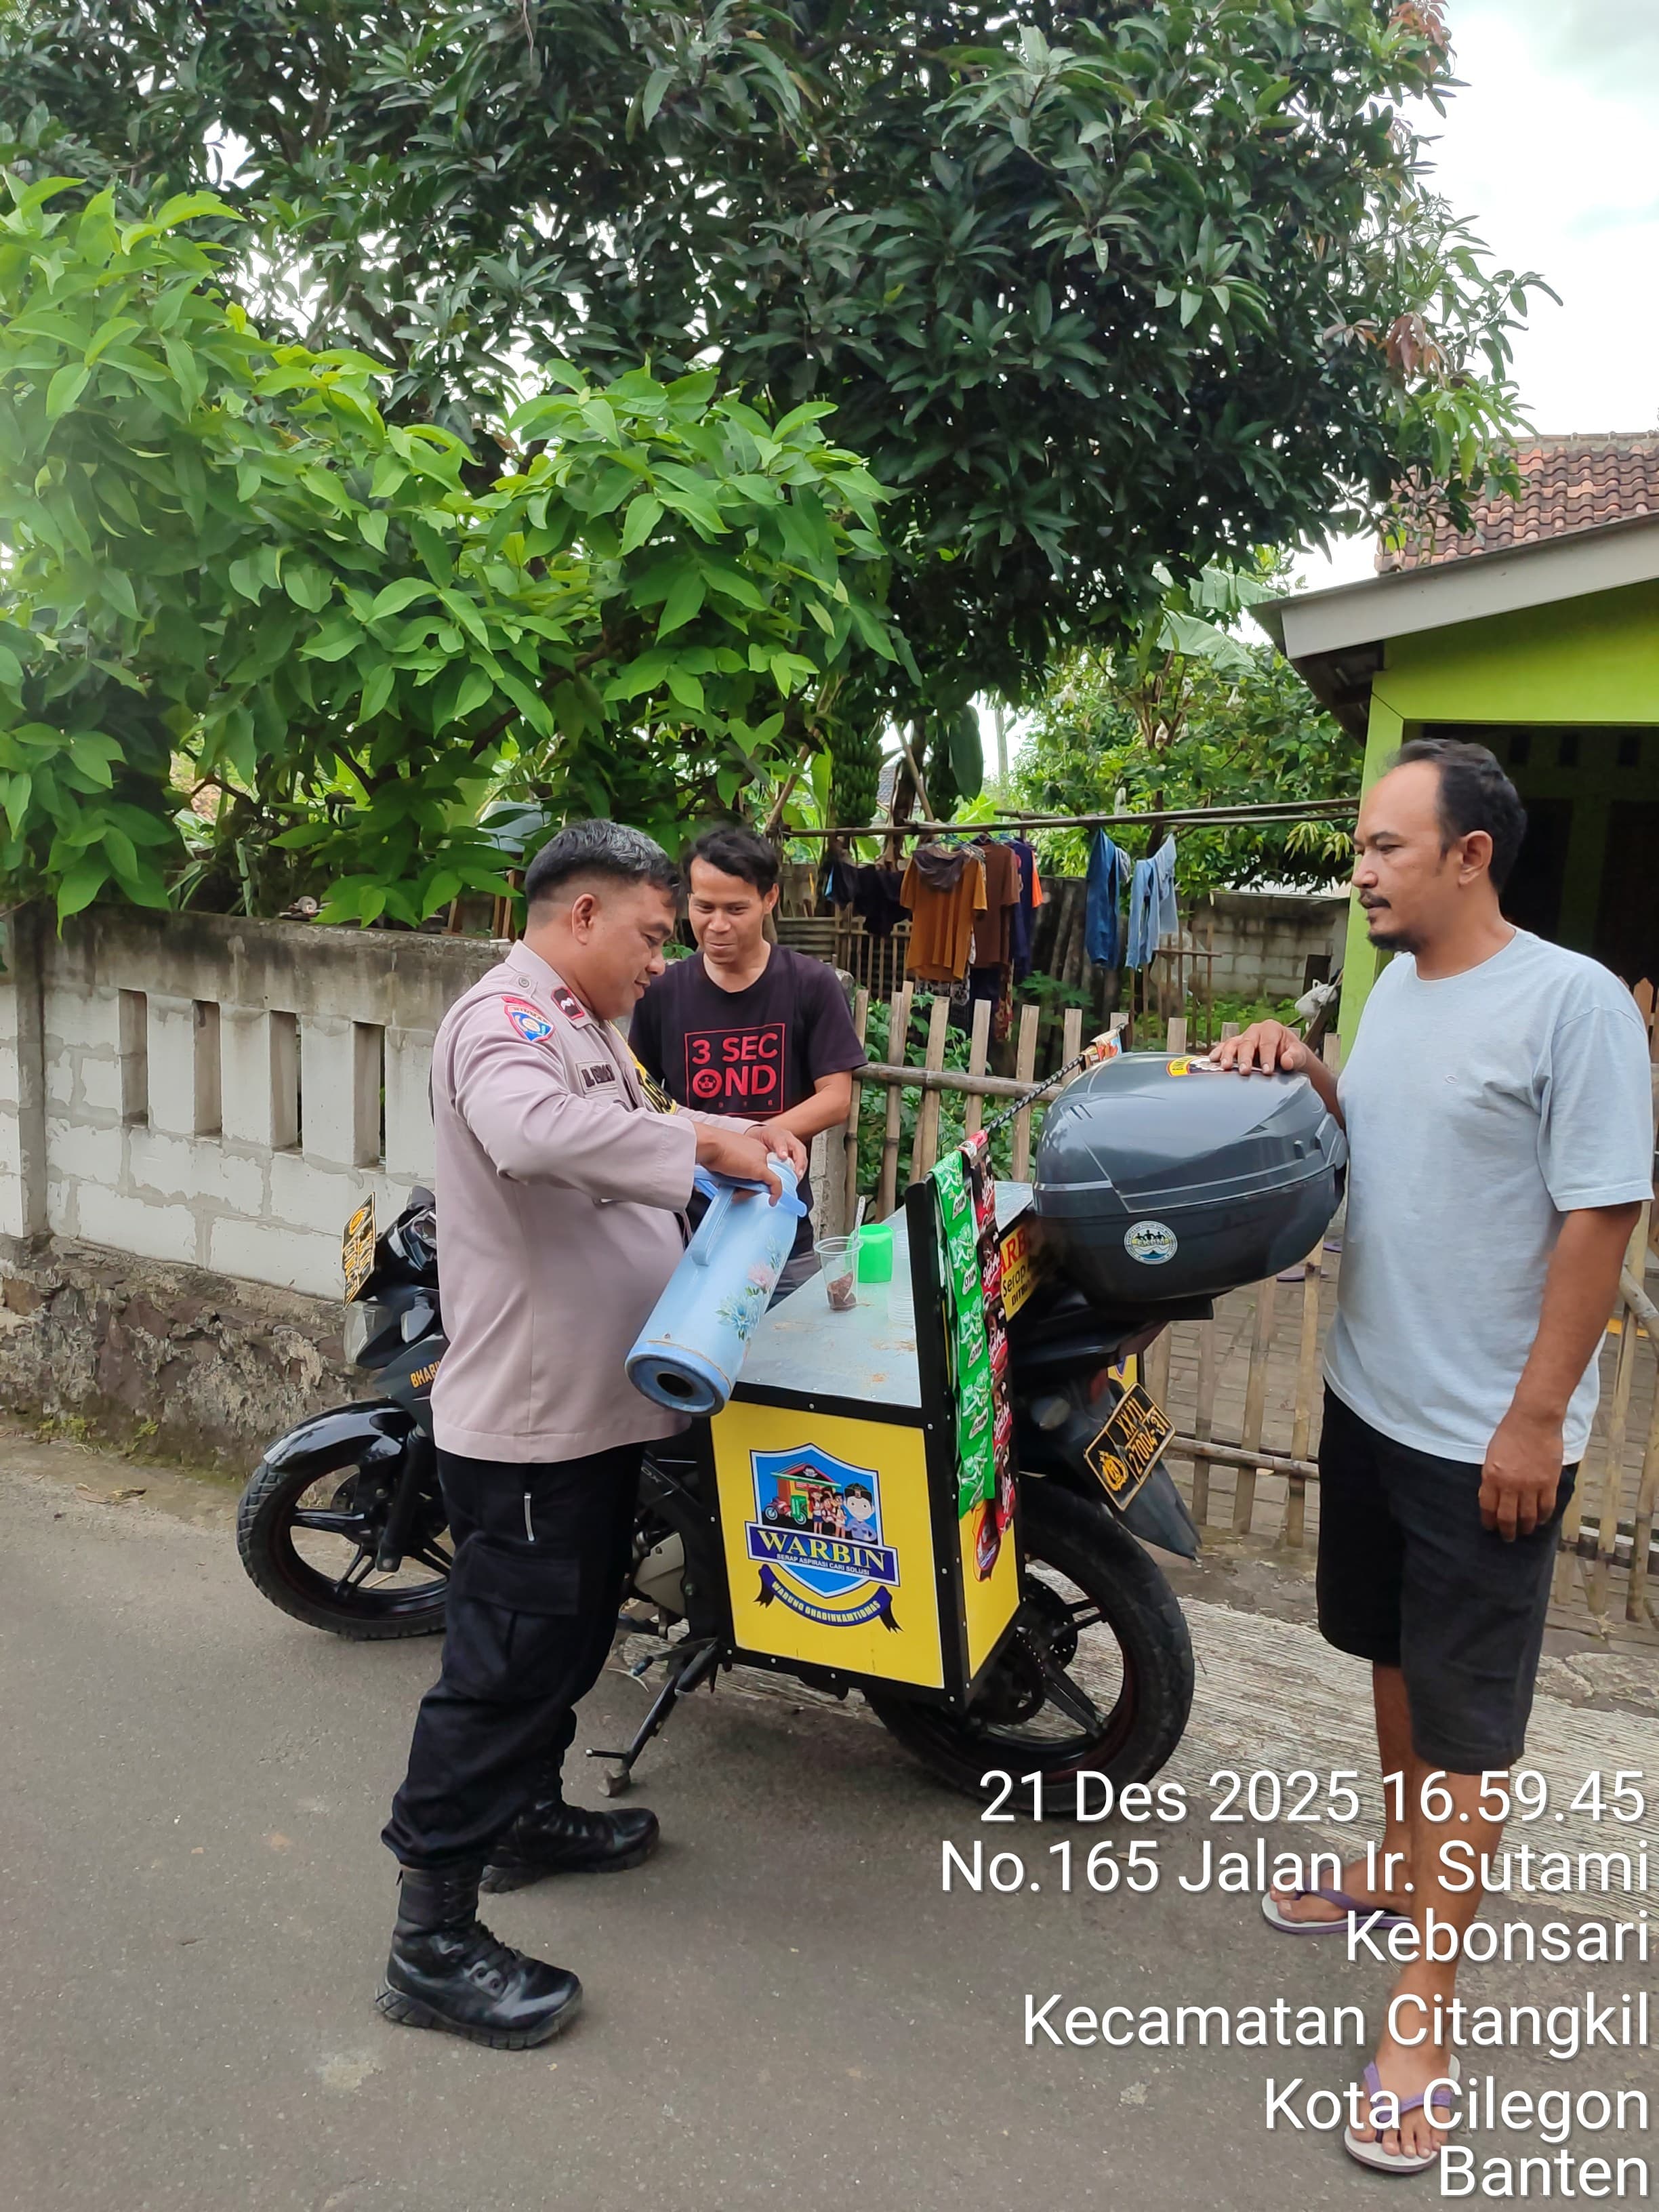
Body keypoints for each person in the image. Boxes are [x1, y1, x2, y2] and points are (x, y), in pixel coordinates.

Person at [1214, 739, 1654, 2174]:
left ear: (1470, 856)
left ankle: (1424, 2010)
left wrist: (1534, 1416)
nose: (1360, 870)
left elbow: (1601, 1213)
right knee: (1393, 1658)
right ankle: (1401, 1873)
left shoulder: (1573, 1004)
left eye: (1384, 847)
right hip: (1371, 1396)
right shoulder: (1397, 985)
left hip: (1484, 1437)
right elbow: (1390, 1133)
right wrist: (1307, 1070)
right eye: (1362, 846)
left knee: (1467, 1726)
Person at [377, 820, 807, 2051]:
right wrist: (702, 1141)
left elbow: (628, 1136)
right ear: (581, 916)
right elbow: (530, 1134)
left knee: (565, 1643)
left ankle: (523, 1817)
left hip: (594, 1413)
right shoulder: (503, 1021)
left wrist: (726, 1148)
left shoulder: (587, 1025)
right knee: (502, 1671)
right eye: (651, 935)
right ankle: (430, 1939)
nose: (662, 960)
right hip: (530, 1425)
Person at [630, 825, 868, 1297]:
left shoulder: (810, 984)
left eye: (736, 909)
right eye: (704, 908)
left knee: (792, 1342)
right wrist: (718, 1152)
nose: (717, 925)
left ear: (769, 899)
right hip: (685, 1232)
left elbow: (836, 1098)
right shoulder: (660, 992)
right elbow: (640, 1095)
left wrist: (752, 1145)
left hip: (779, 1229)